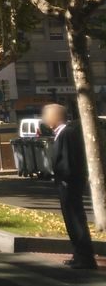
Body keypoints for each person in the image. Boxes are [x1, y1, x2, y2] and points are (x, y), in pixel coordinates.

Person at [44, 103, 97, 269]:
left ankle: (85, 258)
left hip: (69, 184)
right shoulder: (63, 133)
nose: (45, 119)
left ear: (55, 117)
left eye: (47, 115)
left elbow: (69, 162)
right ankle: (79, 255)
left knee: (75, 221)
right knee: (72, 222)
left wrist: (64, 179)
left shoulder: (67, 133)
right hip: (67, 184)